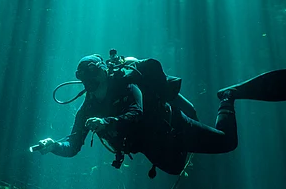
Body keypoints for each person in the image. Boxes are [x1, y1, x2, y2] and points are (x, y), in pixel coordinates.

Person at [36, 54, 238, 176]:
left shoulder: (127, 83)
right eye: (85, 77)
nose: (91, 80)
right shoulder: (87, 109)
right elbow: (72, 145)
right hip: (149, 145)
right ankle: (187, 147)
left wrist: (106, 122)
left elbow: (136, 112)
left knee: (227, 142)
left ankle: (227, 97)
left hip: (172, 125)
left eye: (93, 73)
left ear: (104, 71)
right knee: (176, 168)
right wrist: (54, 146)